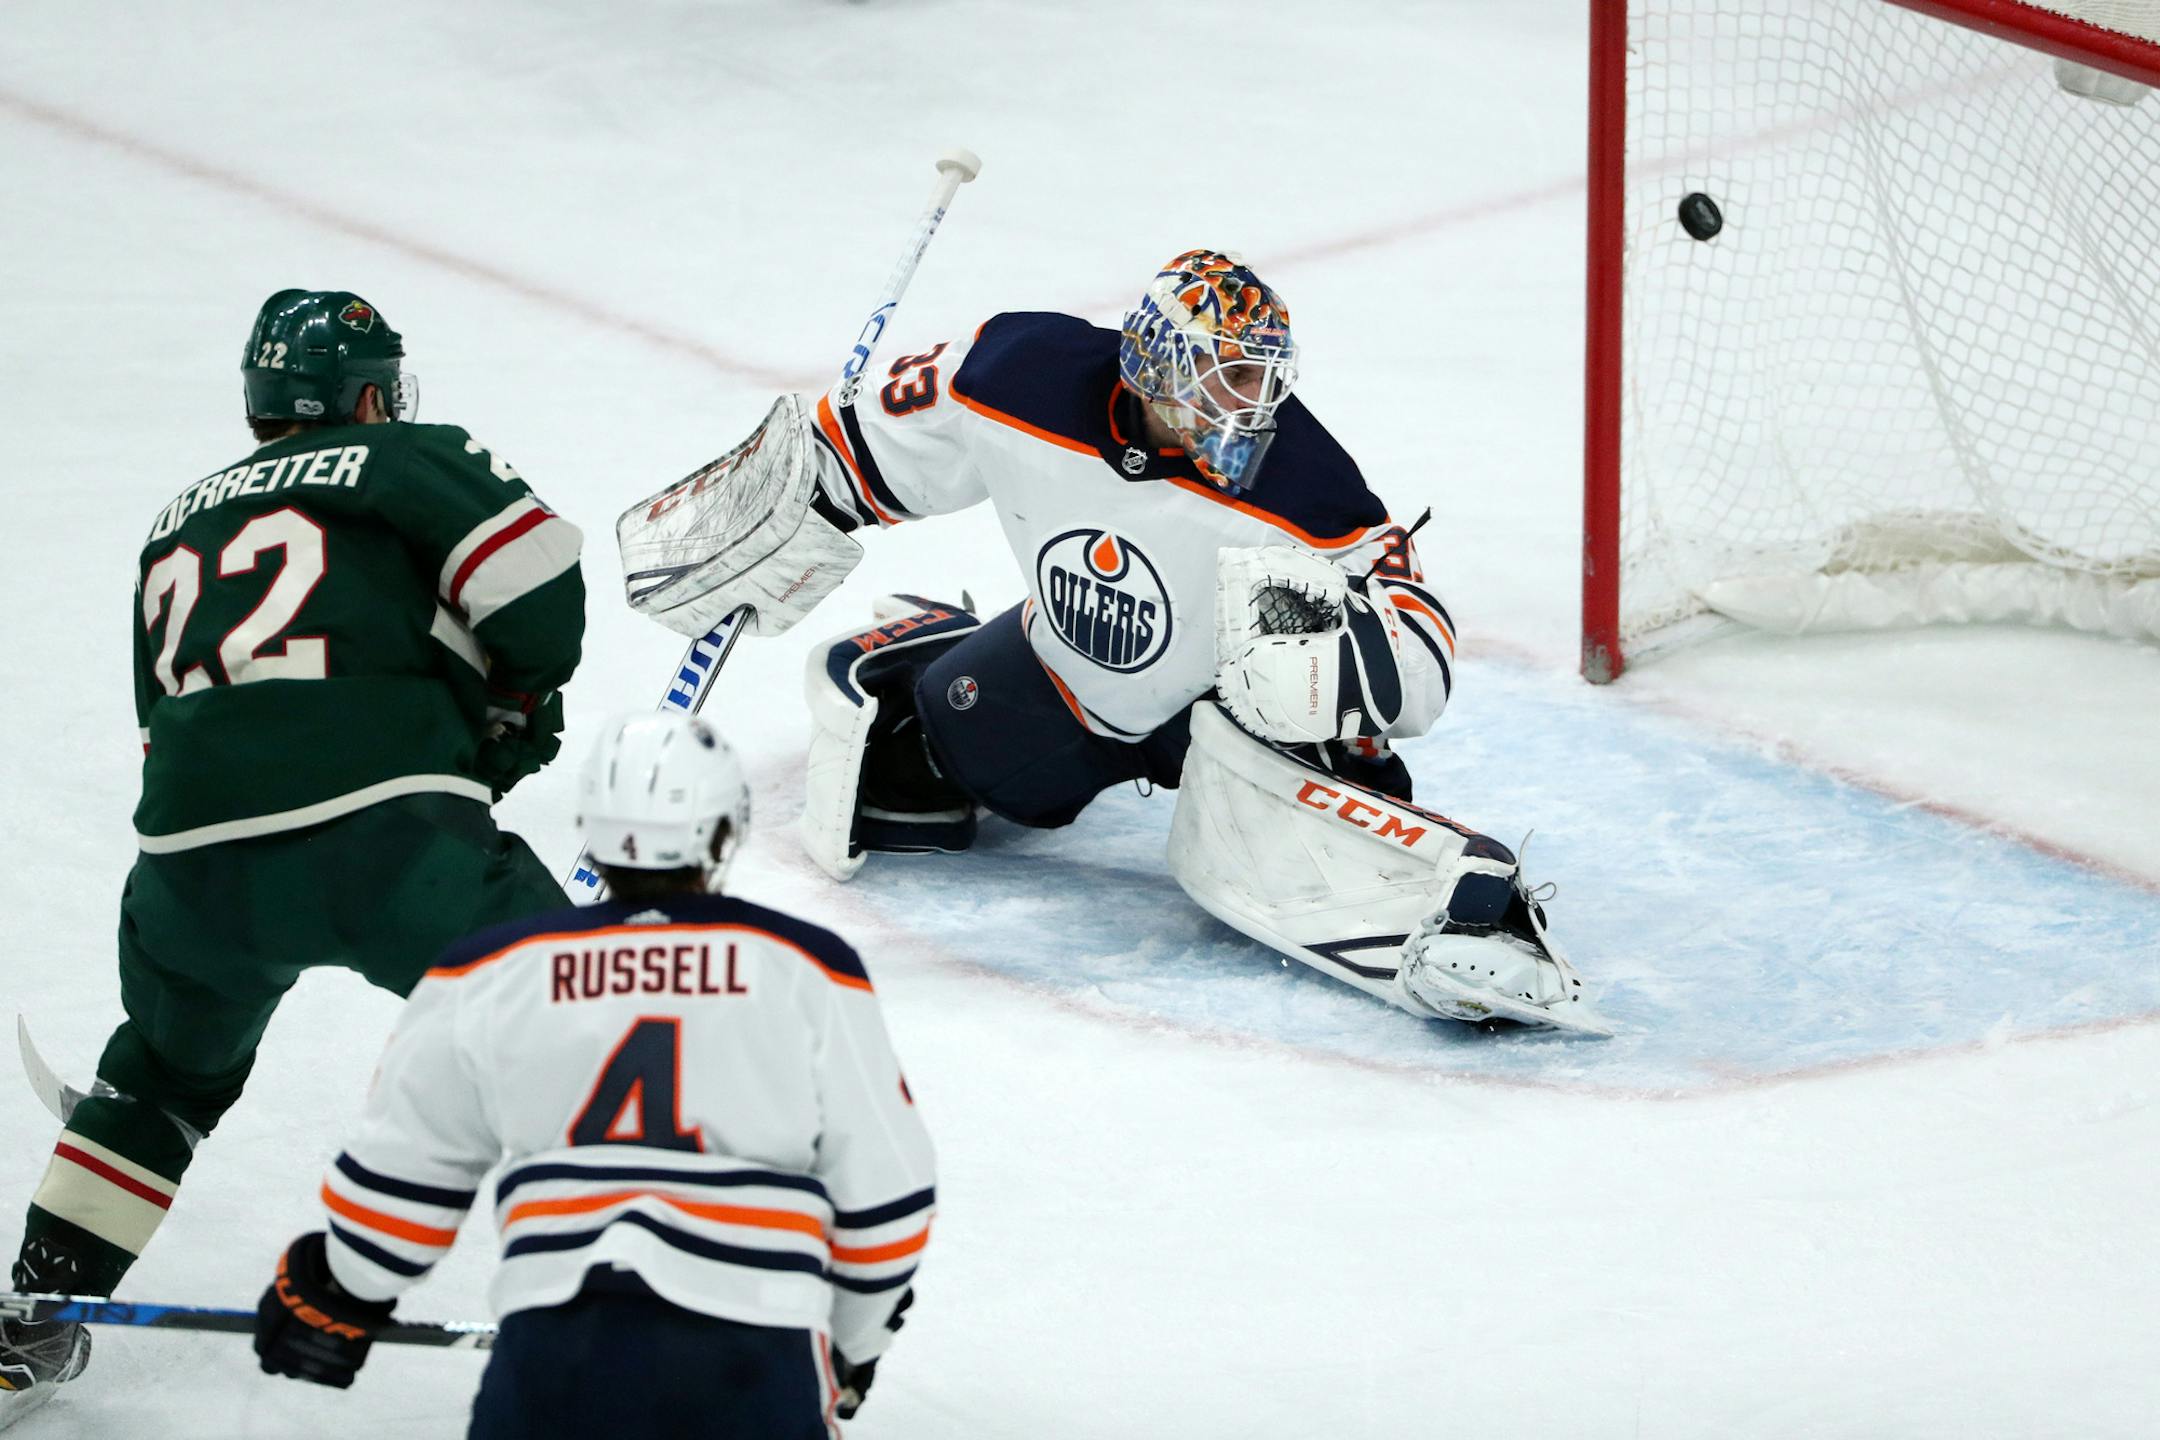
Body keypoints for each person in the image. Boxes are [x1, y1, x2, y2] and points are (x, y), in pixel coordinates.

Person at [647, 249, 1604, 1035]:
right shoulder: (1011, 373)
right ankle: (929, 652)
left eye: (1262, 378)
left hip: (1222, 713)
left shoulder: (1303, 484)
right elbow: (857, 450)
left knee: (1309, 803)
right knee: (926, 770)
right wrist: (786, 499)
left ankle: (1436, 894)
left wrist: (1344, 668)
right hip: (1063, 673)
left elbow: (1421, 649)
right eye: (1225, 377)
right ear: (1153, 364)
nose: (1250, 406)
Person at [0, 290, 586, 1395]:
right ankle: (664, 1295)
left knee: (162, 1077)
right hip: (393, 848)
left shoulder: (176, 522)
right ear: (371, 393)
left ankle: (35, 1308)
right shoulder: (400, 458)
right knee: (591, 1015)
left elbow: (167, 725)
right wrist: (509, 706)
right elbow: (537, 581)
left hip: (192, 868)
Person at [252, 713, 935, 1439]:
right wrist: (851, 1349)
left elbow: (402, 1184)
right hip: (754, 1357)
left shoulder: (489, 970)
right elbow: (886, 1202)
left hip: (557, 1356)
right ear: (728, 831)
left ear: (594, 828)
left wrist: (339, 1297)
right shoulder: (809, 968)